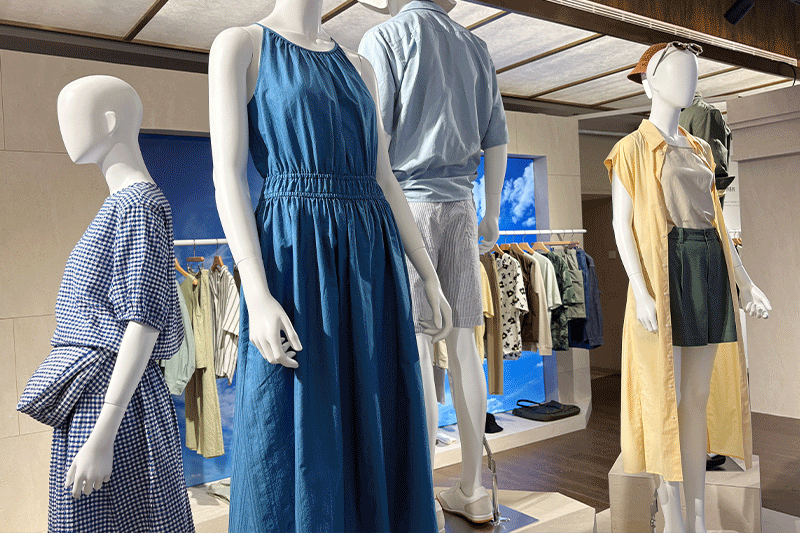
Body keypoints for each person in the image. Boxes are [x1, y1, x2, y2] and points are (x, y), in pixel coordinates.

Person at [207, 0, 452, 530]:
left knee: (376, 409)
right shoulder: (241, 45)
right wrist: (255, 290)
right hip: (295, 256)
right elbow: (227, 175)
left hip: (370, 260)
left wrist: (426, 272)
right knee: (298, 418)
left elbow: (384, 177)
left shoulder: (361, 66)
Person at [606, 42, 771, 533]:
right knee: (667, 396)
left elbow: (717, 220)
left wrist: (746, 282)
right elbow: (620, 226)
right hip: (666, 270)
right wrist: (641, 290)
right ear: (649, 82)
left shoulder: (700, 148)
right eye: (678, 72)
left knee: (695, 398)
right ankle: (672, 513)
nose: (689, 83)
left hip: (709, 267)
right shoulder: (632, 148)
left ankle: (696, 516)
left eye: (693, 74)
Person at [17, 75, 193, 532]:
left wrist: (103, 432)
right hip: (102, 397)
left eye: (73, 115)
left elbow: (143, 321)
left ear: (111, 121)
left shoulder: (138, 206)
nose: (64, 129)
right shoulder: (122, 204)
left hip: (115, 404)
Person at [358, 0, 508, 526]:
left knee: (418, 346)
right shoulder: (477, 47)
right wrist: (492, 212)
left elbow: (376, 140)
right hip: (464, 207)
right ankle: (472, 488)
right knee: (465, 344)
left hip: (408, 205)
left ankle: (421, 495)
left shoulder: (385, 37)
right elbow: (497, 138)